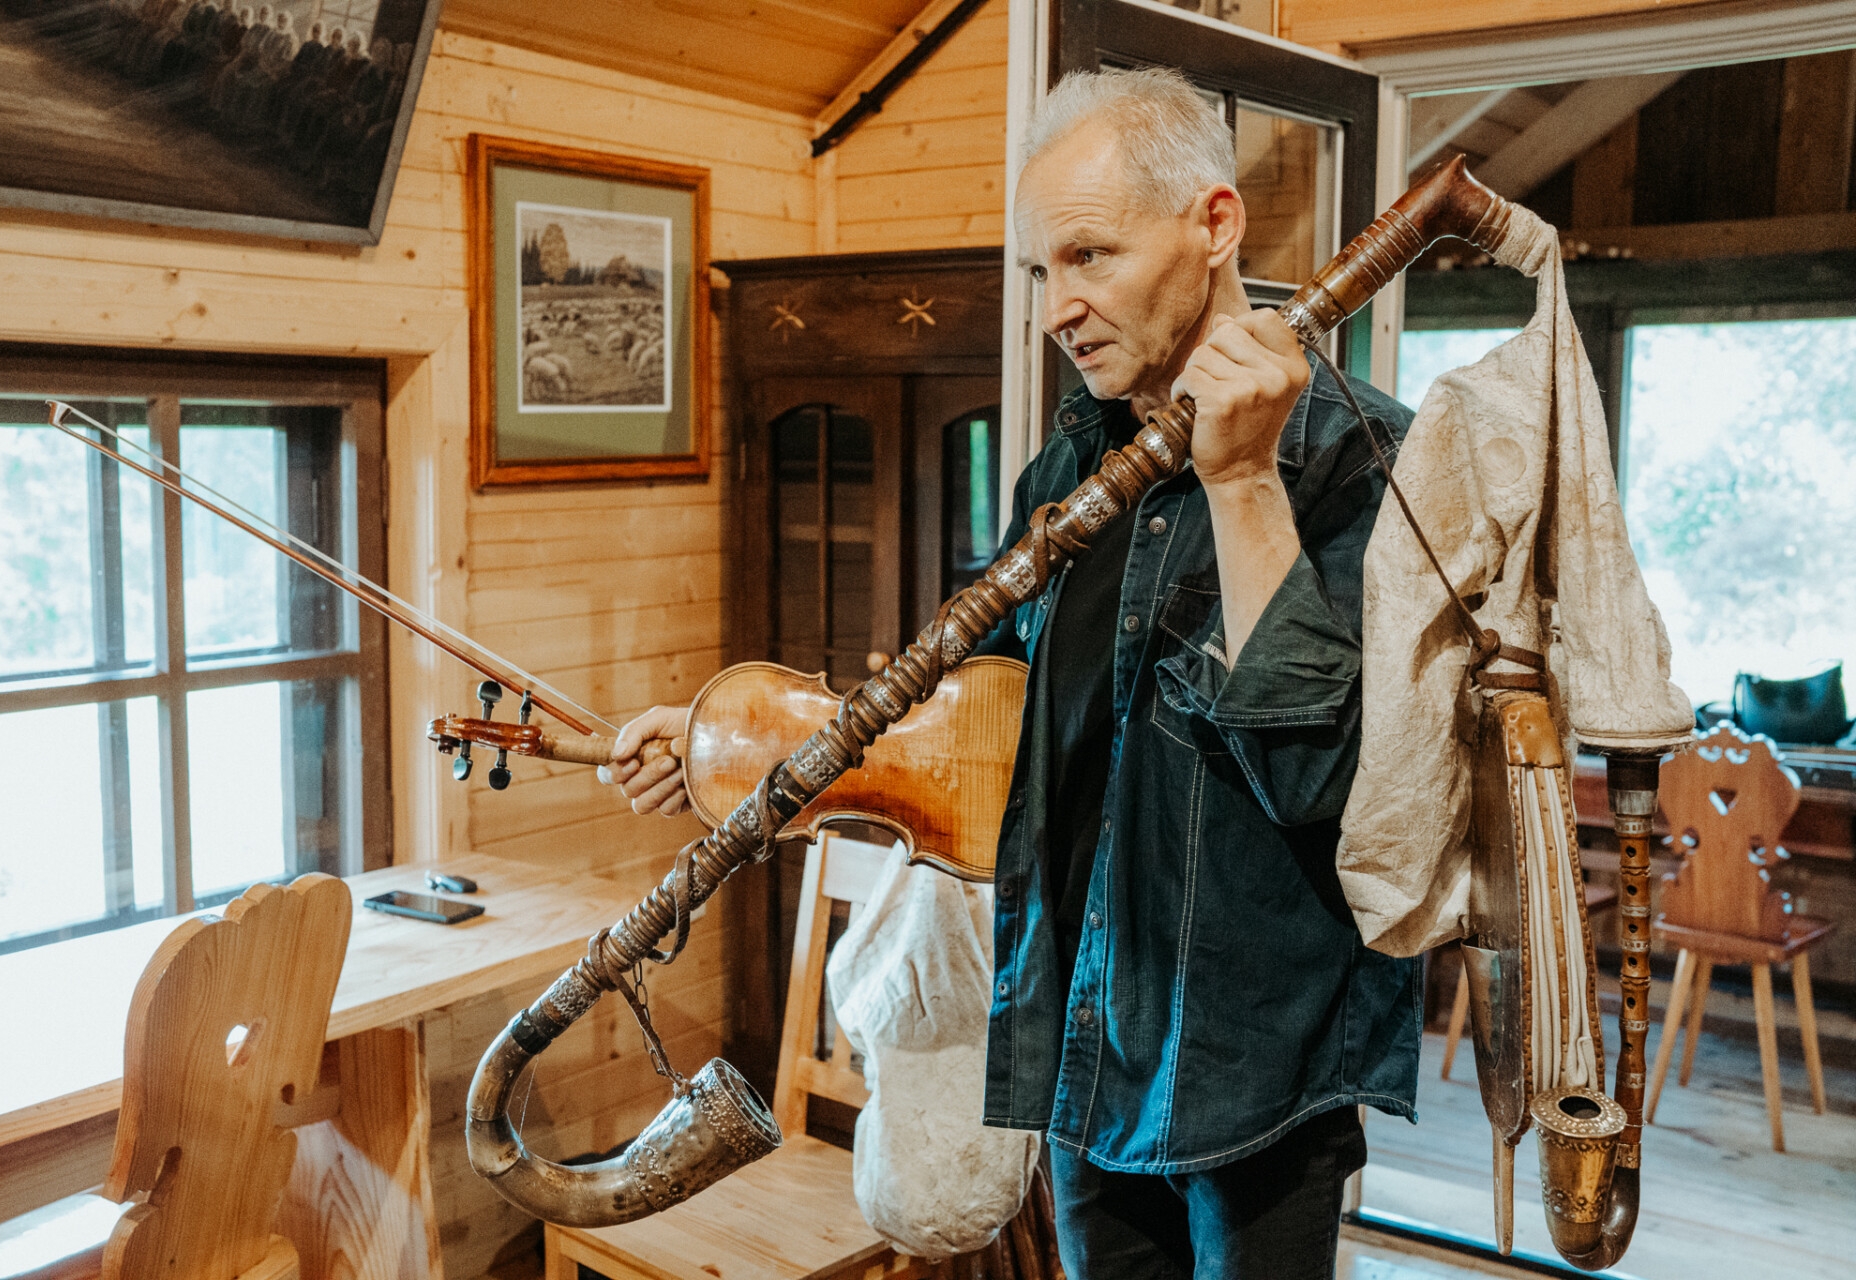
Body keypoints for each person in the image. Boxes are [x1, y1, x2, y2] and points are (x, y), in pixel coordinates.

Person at [601, 65, 1421, 1280]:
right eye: (1044, 269)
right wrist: (730, 741)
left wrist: (1244, 482)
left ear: (1214, 223)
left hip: (1259, 1075)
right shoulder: (1070, 469)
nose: (1057, 308)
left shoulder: (1367, 461)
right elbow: (959, 714)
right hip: (1085, 1035)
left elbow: (1325, 785)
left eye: (1090, 255)